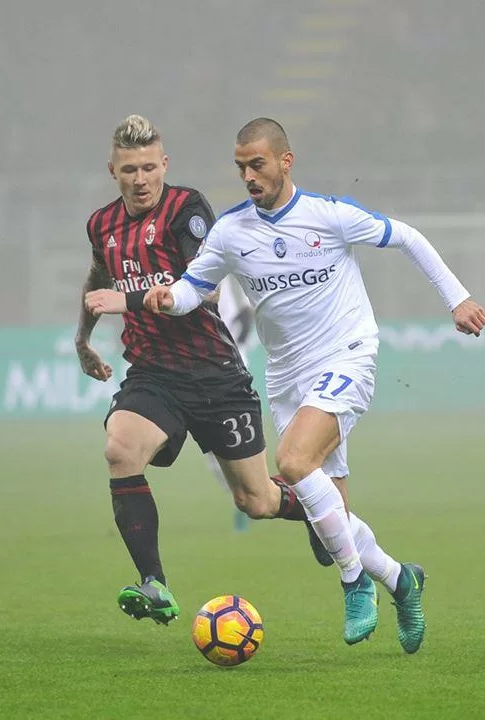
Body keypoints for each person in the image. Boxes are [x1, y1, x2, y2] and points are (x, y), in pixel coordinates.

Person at [141, 118, 485, 654]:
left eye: (257, 164)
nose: (248, 176)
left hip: (347, 354)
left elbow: (409, 238)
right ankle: (401, 580)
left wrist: (457, 298)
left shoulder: (329, 217)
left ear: (286, 161)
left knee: (295, 461)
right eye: (240, 167)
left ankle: (355, 587)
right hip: (286, 376)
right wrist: (171, 297)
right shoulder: (231, 231)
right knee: (332, 519)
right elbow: (195, 287)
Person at [77, 114, 314, 627]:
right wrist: (82, 340)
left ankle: (318, 515)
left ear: (164, 165)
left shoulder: (188, 210)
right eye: (128, 171)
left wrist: (130, 299)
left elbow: (202, 288)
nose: (140, 180)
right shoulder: (102, 224)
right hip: (153, 373)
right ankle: (154, 583)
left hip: (214, 374)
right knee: (120, 448)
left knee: (256, 500)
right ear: (112, 172)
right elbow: (99, 277)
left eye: (148, 168)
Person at [206, 275, 256, 532]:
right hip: (199, 368)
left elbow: (247, 313)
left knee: (239, 441)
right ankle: (241, 496)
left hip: (231, 365)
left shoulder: (223, 268)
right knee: (213, 452)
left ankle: (252, 496)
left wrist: (238, 344)